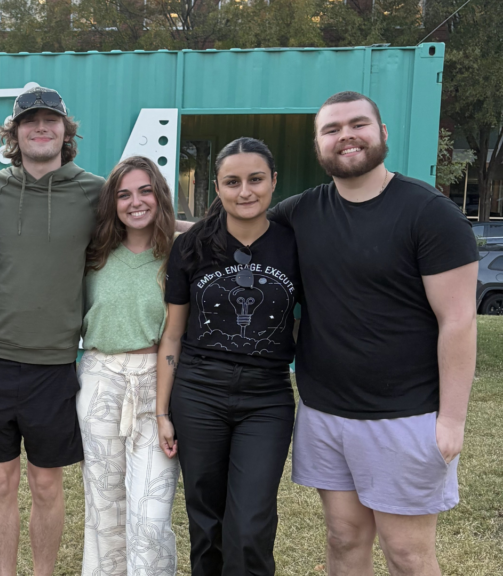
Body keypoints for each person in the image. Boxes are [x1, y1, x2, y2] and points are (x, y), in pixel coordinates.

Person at [272, 91, 478, 576]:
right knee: (344, 539)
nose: (346, 135)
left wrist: (452, 421)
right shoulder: (301, 212)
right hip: (325, 411)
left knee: (407, 554)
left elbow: (459, 321)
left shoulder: (430, 214)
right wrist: (149, 223)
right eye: (331, 128)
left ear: (382, 134)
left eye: (358, 124)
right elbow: (226, 232)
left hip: (405, 415)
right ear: (318, 145)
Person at [0, 86, 104, 576]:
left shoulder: (96, 191)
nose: (40, 127)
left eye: (51, 120)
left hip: (55, 364)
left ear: (66, 132)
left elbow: (147, 229)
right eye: (29, 121)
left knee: (47, 484)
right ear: (14, 133)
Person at [158, 137, 300, 576]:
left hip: (267, 397)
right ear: (216, 188)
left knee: (251, 523)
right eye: (232, 182)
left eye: (256, 180)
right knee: (206, 518)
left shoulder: (295, 246)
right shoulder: (193, 246)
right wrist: (162, 410)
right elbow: (173, 335)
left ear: (273, 182)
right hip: (199, 393)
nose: (245, 192)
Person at [77, 155, 181, 576]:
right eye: (123, 194)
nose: (135, 202)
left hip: (159, 381)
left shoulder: (179, 253)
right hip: (101, 380)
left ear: (158, 195)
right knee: (104, 509)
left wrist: (164, 409)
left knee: (150, 515)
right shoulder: (92, 253)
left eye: (144, 190)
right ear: (112, 204)